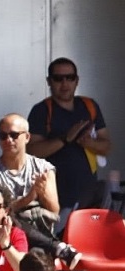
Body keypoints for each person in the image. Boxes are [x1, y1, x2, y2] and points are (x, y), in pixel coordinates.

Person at [0, 113, 80, 269]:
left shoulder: (44, 168)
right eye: (3, 136)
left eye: (13, 135)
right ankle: (57, 247)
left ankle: (54, 247)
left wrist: (42, 193)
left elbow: (54, 211)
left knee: (37, 257)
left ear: (27, 137)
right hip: (5, 236)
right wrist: (30, 197)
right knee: (11, 219)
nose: (8, 140)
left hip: (39, 234)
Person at [27, 58, 113, 217]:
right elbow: (32, 151)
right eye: (58, 78)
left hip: (88, 194)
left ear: (77, 80)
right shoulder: (42, 110)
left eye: (70, 77)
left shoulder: (89, 106)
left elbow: (106, 146)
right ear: (49, 81)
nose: (64, 83)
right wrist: (65, 139)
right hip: (53, 198)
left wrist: (89, 142)